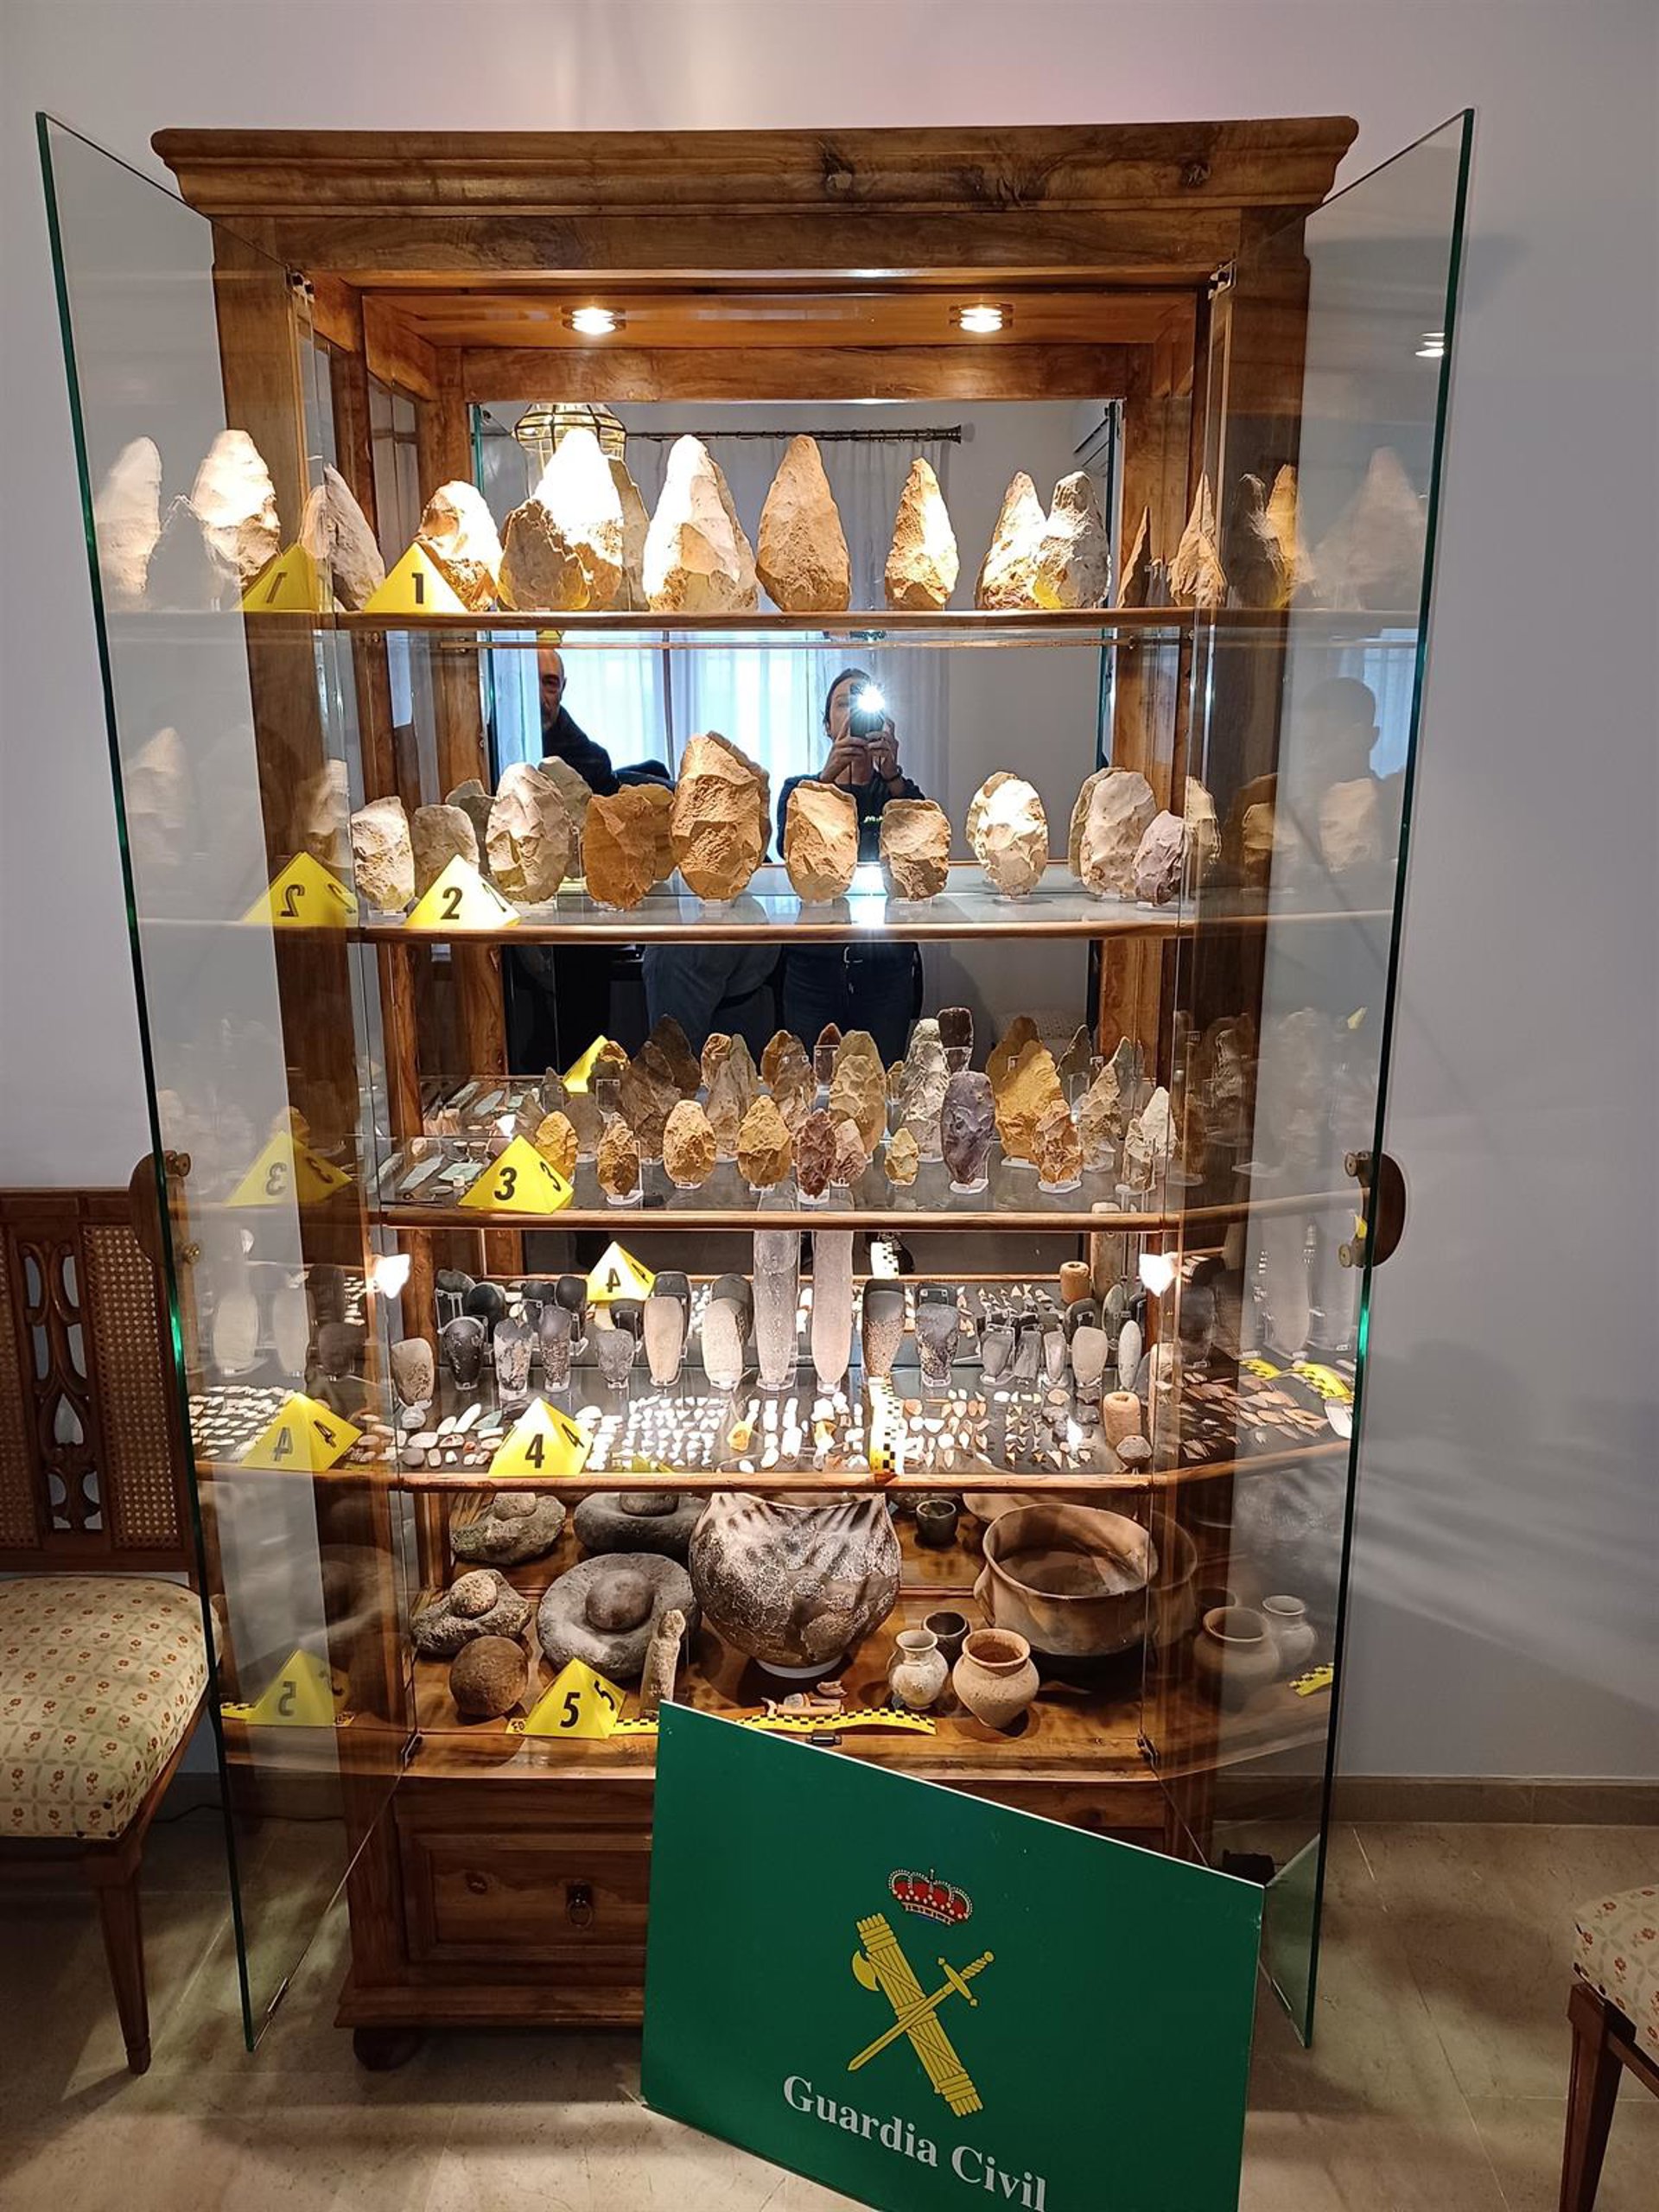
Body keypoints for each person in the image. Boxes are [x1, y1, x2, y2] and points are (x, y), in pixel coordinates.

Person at [775, 665, 925, 1062]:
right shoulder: (802, 790)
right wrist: (828, 775)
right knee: (812, 1082)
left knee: (882, 1077)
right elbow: (786, 845)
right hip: (812, 968)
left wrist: (891, 774)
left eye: (862, 703)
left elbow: (923, 844)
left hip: (884, 968)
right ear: (828, 725)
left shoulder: (897, 794)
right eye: (843, 704)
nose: (853, 712)